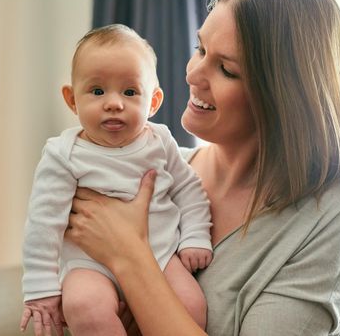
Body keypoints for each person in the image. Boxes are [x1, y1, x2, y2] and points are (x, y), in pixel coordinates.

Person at [64, 0, 340, 335]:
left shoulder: (327, 218)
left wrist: (129, 257)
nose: (192, 75)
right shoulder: (154, 175)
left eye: (226, 69)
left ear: (282, 94)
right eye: (199, 49)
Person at [19, 24, 213, 336]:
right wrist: (41, 286)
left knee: (191, 305)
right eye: (97, 91)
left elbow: (189, 189)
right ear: (72, 99)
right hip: (89, 263)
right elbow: (43, 223)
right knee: (84, 306)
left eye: (130, 91)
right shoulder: (62, 154)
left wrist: (195, 236)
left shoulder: (160, 141)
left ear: (153, 102)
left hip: (160, 256)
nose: (113, 102)